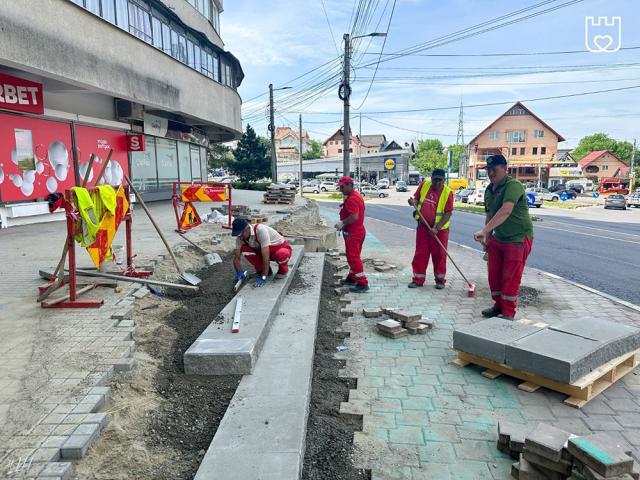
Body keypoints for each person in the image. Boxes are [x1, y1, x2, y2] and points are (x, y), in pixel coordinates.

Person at [473, 154, 534, 320]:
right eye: (489, 170)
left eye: (495, 170)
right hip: (499, 238)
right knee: (494, 275)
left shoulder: (512, 185)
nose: (491, 173)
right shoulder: (489, 190)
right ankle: (498, 306)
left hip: (518, 238)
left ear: (505, 169)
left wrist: (484, 231)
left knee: (510, 276)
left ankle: (508, 313)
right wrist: (487, 238)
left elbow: (506, 210)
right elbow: (491, 214)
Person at [407, 168, 454, 289]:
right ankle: (418, 279)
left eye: (440, 180)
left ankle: (440, 280)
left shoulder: (448, 193)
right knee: (421, 253)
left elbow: (448, 213)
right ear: (431, 178)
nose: (437, 183)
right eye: (435, 180)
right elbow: (416, 199)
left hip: (440, 230)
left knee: (439, 255)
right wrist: (413, 202)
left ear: (444, 180)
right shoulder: (424, 185)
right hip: (423, 227)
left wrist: (437, 228)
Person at [231, 218, 292, 287]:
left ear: (247, 229)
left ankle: (283, 271)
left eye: (241, 234)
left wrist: (263, 277)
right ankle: (264, 271)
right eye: (238, 235)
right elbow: (236, 257)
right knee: (245, 250)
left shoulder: (260, 230)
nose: (240, 237)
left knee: (281, 255)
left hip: (278, 247)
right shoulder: (240, 238)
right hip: (263, 249)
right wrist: (239, 271)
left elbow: (266, 258)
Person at [335, 176, 369, 293]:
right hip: (356, 231)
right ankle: (352, 278)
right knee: (353, 256)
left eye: (342, 187)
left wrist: (342, 222)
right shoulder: (354, 196)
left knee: (353, 258)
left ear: (349, 185)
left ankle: (363, 283)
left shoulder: (352, 199)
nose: (341, 190)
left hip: (354, 232)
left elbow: (354, 216)